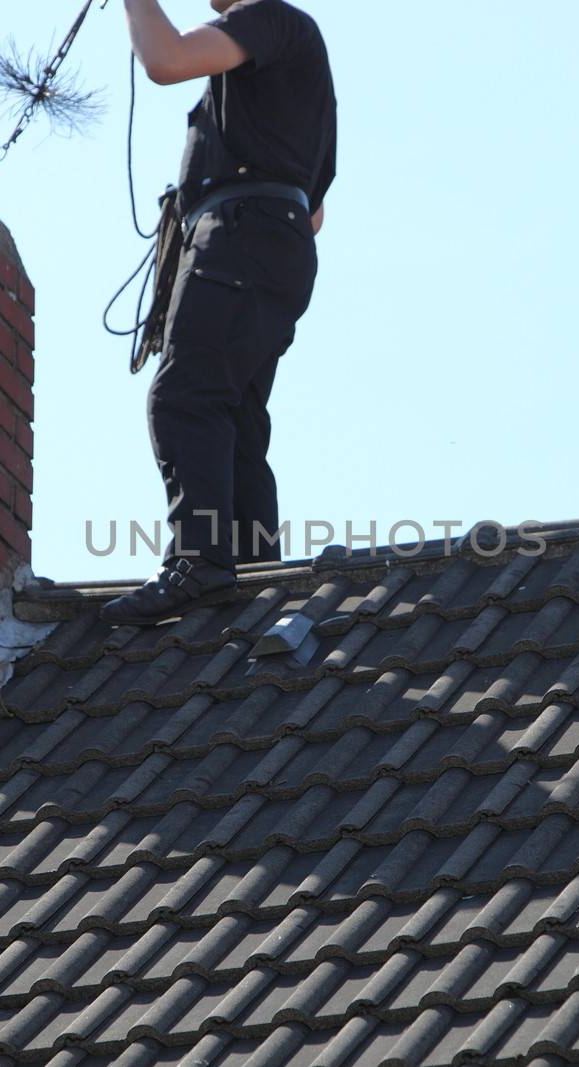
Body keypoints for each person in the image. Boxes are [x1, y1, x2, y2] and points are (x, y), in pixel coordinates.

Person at [101, 0, 337, 626]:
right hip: (275, 243)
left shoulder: (271, 20)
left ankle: (200, 562)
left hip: (241, 237)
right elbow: (314, 210)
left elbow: (166, 59)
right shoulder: (294, 65)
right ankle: (253, 571)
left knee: (184, 399)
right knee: (234, 415)